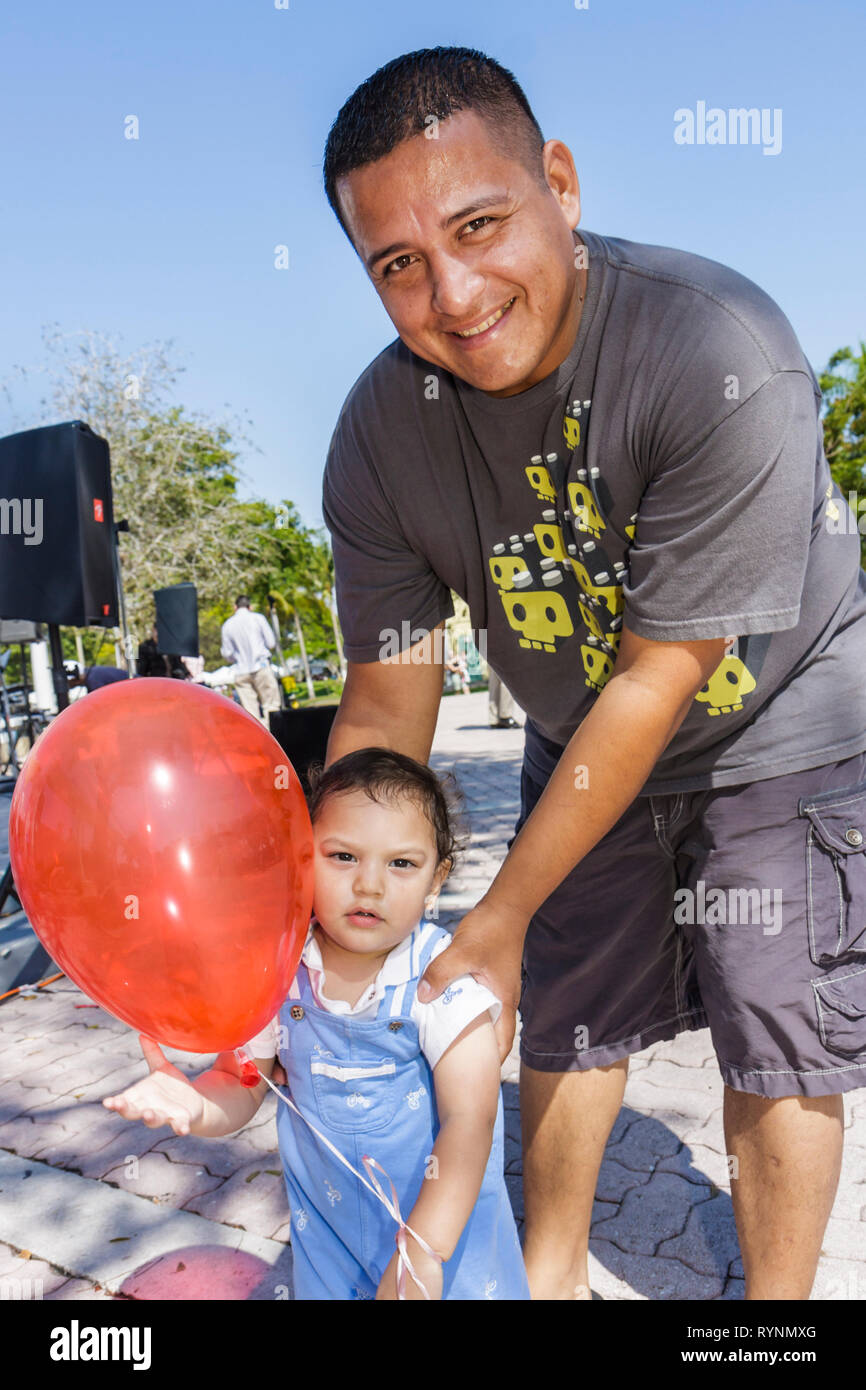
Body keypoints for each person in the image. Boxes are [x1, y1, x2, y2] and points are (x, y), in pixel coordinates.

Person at [317, 47, 866, 1301]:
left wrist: (495, 915)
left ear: (557, 184)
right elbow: (392, 691)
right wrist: (334, 894)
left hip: (774, 719)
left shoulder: (715, 346)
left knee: (774, 1031)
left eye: (479, 224)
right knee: (567, 1013)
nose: (451, 293)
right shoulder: (379, 432)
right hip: (578, 729)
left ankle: (770, 1323)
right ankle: (546, 1280)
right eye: (397, 264)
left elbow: (656, 677)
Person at [102, 748, 530, 1301]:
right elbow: (240, 1081)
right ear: (303, 859)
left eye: (401, 863)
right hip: (329, 1239)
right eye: (343, 856)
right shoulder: (278, 974)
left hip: (444, 1236)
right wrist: (195, 1105)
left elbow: (470, 1120)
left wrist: (423, 1251)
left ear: (436, 879)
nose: (369, 884)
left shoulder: (439, 981)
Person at [220, 596, 282, 725]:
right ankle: (276, 740)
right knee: (271, 707)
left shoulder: (227, 625)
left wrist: (237, 658)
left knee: (251, 715)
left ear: (235, 607)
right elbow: (271, 643)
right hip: (261, 666)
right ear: (250, 607)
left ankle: (258, 743)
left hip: (241, 671)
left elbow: (227, 654)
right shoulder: (258, 618)